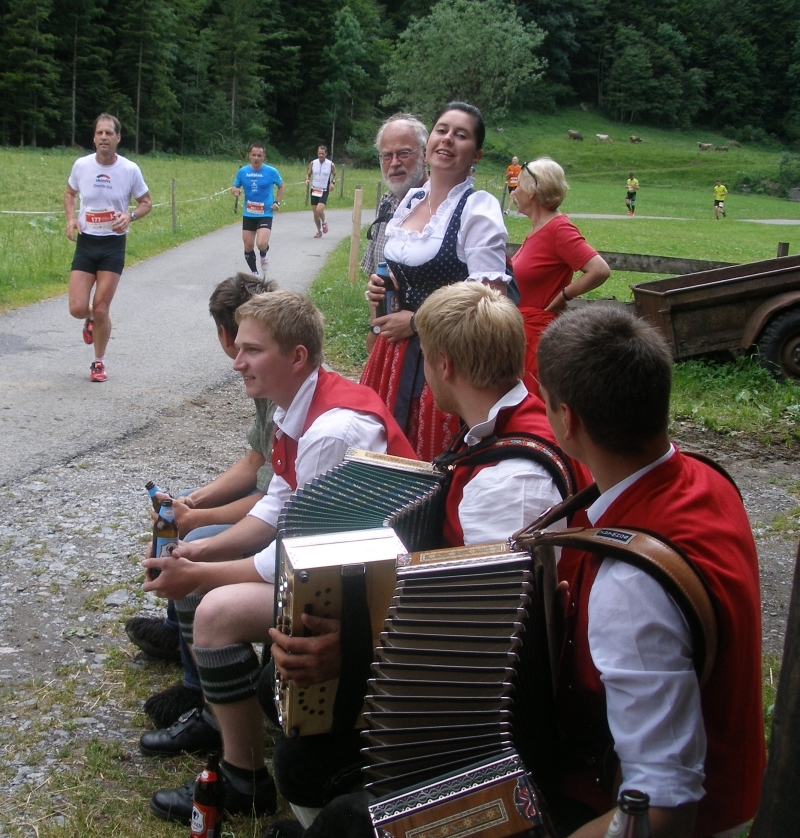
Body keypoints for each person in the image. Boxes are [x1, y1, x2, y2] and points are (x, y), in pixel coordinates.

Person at [261, 282, 590, 836]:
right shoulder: (501, 434)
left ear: (442, 364)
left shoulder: (511, 481)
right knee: (288, 706)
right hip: (475, 680)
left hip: (508, 726)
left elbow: (483, 645)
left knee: (325, 784)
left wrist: (353, 655)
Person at [139, 290, 416, 825]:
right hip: (339, 571)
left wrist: (198, 571)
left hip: (372, 594)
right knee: (201, 587)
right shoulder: (301, 406)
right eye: (238, 347)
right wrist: (199, 547)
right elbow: (276, 507)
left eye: (251, 350)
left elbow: (291, 556)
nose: (237, 361)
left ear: (296, 357)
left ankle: (242, 780)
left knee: (214, 611)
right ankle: (223, 726)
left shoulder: (332, 429)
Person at [536, 305, 765, 837]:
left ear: (568, 420)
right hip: (736, 781)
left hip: (689, 819)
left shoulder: (630, 586)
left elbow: (661, 809)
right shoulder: (704, 477)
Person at [125, 273, 278, 729]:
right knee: (181, 522)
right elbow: (255, 460)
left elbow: (272, 497)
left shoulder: (274, 385)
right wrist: (191, 501)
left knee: (195, 538)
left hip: (278, 516)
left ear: (224, 334)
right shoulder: (269, 379)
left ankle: (199, 689)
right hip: (270, 501)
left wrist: (200, 518)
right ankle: (179, 637)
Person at [360, 101, 511, 461]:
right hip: (391, 353)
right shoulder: (411, 201)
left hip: (444, 361)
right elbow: (408, 272)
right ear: (429, 144)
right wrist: (385, 287)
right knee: (378, 448)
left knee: (426, 459)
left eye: (461, 135)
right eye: (442, 130)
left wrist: (414, 322)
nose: (448, 140)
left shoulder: (478, 208)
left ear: (476, 154)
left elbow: (491, 302)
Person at [65, 113, 152, 383]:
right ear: (94, 138)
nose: (104, 137)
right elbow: (70, 193)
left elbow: (146, 202)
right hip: (87, 242)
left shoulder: (129, 169)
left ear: (117, 138)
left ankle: (98, 362)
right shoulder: (81, 165)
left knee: (102, 308)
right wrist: (70, 219)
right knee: (78, 308)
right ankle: (89, 318)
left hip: (113, 244)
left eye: (108, 133)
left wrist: (130, 216)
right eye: (99, 133)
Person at [511, 157, 609, 390]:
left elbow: (599, 269)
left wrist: (563, 296)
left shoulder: (558, 229)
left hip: (537, 336)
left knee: (536, 409)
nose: (514, 192)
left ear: (532, 191)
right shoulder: (538, 228)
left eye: (519, 186)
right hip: (521, 333)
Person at [362, 114, 428, 353]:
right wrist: (375, 329)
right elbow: (374, 278)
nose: (394, 163)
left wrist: (416, 322)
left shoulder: (442, 210)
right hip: (386, 336)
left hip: (429, 346)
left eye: (404, 153)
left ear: (425, 153)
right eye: (387, 155)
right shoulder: (388, 203)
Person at [231, 143, 285, 276]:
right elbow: (234, 186)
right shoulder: (243, 172)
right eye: (253, 155)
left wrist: (277, 202)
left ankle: (263, 253)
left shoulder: (271, 172)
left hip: (265, 212)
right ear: (249, 155)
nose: (256, 158)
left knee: (261, 243)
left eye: (259, 156)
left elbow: (281, 186)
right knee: (248, 245)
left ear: (264, 157)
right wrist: (235, 191)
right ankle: (255, 273)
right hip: (249, 213)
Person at [305, 146, 337, 237]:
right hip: (314, 189)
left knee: (319, 210)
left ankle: (324, 222)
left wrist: (332, 183)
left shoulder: (330, 164)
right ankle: (319, 231)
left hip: (324, 190)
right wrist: (307, 180)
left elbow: (335, 174)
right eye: (319, 153)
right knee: (315, 213)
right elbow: (308, 174)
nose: (321, 155)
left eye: (323, 154)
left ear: (326, 154)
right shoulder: (313, 163)